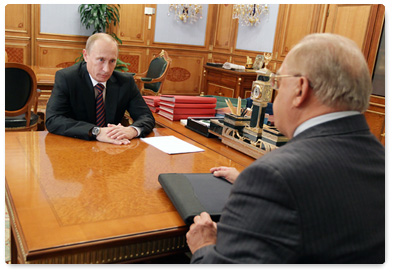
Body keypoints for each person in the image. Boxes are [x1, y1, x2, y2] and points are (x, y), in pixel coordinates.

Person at [186, 33, 385, 263]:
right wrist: (253, 188)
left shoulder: (271, 177)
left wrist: (204, 246)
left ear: (300, 89)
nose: (275, 92)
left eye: (277, 83)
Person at [45, 33, 155, 144]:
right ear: (86, 56)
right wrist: (96, 131)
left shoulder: (125, 82)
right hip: (76, 145)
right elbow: (53, 120)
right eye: (101, 60)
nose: (106, 69)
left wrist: (132, 130)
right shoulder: (67, 78)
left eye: (112, 61)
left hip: (113, 149)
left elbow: (146, 117)